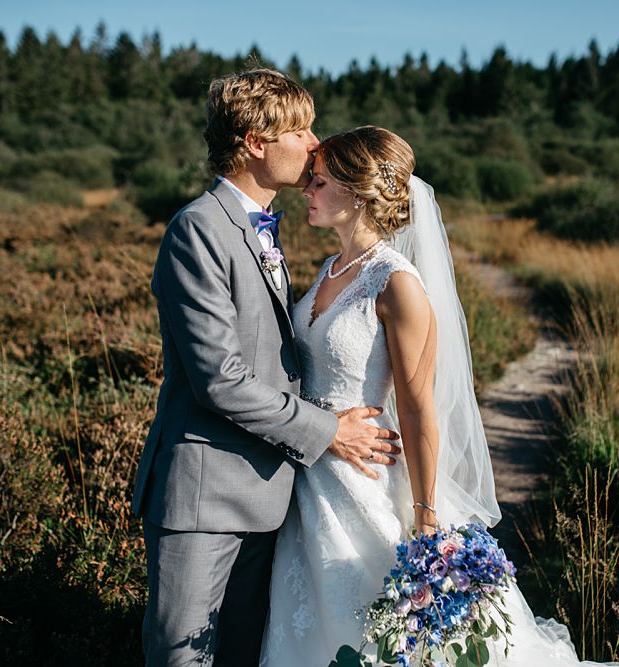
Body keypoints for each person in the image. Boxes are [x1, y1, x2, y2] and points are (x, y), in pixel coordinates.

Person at [260, 126, 619, 666]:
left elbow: (417, 406)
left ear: (357, 192)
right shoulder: (329, 271)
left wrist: (427, 517)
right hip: (313, 477)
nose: (307, 192)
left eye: (318, 182)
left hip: (368, 484)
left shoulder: (396, 283)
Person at [130, 72, 402, 667]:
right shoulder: (198, 230)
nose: (314, 143)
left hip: (269, 495)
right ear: (256, 141)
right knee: (182, 659)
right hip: (203, 497)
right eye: (300, 130)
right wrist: (332, 431)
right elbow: (220, 377)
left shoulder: (264, 229)